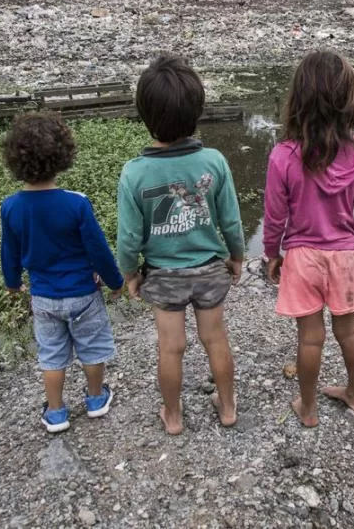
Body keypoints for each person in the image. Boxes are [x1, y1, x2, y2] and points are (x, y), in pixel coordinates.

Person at [117, 53, 244, 436]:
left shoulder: (135, 172)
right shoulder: (215, 161)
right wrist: (237, 256)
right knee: (215, 339)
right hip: (209, 270)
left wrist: (130, 274)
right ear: (198, 110)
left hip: (164, 274)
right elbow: (232, 221)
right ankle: (227, 407)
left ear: (144, 114)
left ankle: (172, 416)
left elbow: (129, 237)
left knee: (170, 348)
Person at [263, 50, 354, 428]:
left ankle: (308, 409)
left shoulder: (283, 155)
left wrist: (270, 254)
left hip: (302, 256)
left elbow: (274, 216)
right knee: (349, 329)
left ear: (298, 98)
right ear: (349, 99)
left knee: (311, 338)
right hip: (344, 254)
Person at [0, 112, 123, 434]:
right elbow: (98, 250)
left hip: (43, 297)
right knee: (92, 348)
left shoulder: (10, 206)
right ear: (63, 156)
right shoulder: (76, 204)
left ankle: (56, 412)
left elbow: (9, 252)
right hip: (83, 293)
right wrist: (116, 282)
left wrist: (12, 283)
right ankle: (96, 398)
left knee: (51, 355)